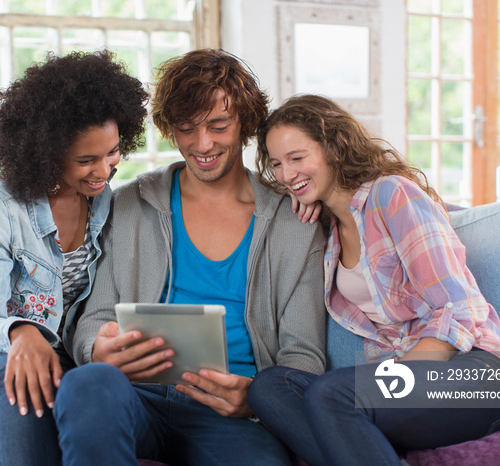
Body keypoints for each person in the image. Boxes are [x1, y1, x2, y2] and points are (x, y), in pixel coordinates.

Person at [52, 49, 328, 465]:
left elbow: (304, 354)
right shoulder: (128, 204)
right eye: (186, 129)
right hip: (133, 396)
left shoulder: (294, 222)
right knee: (86, 385)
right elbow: (94, 319)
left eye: (219, 126)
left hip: (230, 415)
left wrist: (253, 399)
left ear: (246, 123)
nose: (202, 145)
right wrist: (96, 348)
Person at [248, 94, 500, 466]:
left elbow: (455, 308)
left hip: (474, 373)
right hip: (409, 387)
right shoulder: (329, 232)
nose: (286, 174)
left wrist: (391, 380)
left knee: (330, 395)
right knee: (271, 387)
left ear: (334, 148)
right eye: (277, 164)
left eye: (297, 158)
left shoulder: (392, 195)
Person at [0, 50, 148, 465]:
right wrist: (22, 334)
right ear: (45, 151)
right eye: (85, 160)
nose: (104, 170)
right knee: (22, 383)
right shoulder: (2, 206)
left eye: (112, 153)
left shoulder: (104, 202)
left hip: (50, 370)